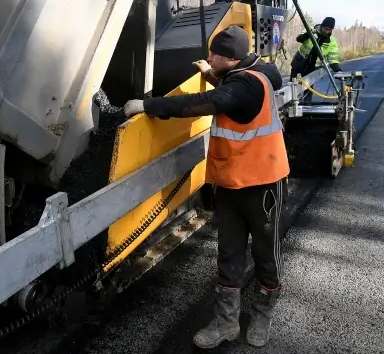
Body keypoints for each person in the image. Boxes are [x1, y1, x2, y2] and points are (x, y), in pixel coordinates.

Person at [123, 25, 290, 349]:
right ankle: (226, 322)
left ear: (231, 59)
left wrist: (149, 106)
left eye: (213, 54)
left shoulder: (248, 85)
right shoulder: (248, 73)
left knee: (265, 254)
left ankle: (261, 316)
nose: (208, 57)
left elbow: (205, 103)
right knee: (228, 254)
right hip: (231, 185)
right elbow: (228, 90)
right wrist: (211, 72)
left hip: (263, 187)